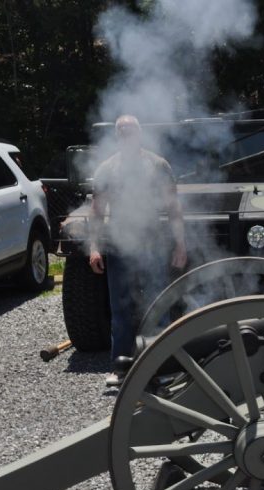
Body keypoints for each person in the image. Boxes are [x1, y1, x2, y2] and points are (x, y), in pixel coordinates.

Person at [88, 115, 187, 387]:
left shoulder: (158, 166)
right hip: (119, 246)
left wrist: (180, 244)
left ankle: (163, 366)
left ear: (139, 134)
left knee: (159, 305)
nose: (126, 136)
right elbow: (97, 212)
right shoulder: (107, 169)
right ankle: (120, 369)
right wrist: (94, 247)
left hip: (154, 245)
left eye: (131, 131)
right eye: (122, 132)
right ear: (117, 137)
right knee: (120, 309)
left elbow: (173, 207)